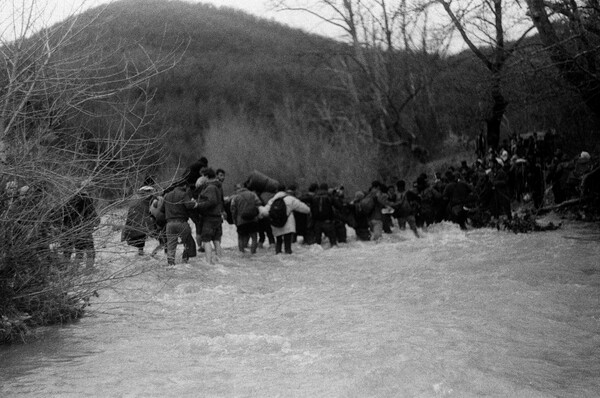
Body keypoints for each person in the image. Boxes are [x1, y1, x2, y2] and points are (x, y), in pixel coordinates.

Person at [60, 180, 99, 270]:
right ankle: (89, 269)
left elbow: (64, 214)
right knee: (89, 250)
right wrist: (96, 221)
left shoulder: (70, 198)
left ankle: (65, 269)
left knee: (68, 250)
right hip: (83, 228)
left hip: (69, 228)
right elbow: (92, 213)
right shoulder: (86, 199)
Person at [262, 184, 310, 254]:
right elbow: (305, 209)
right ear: (285, 190)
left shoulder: (272, 200)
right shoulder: (290, 199)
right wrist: (309, 210)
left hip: (276, 224)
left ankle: (278, 255)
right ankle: (288, 258)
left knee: (278, 242)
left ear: (276, 190)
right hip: (288, 225)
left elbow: (264, 212)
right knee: (288, 245)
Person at [161, 180, 198, 266]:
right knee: (187, 243)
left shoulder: (167, 196)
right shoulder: (183, 194)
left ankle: (171, 264)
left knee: (171, 245)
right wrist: (194, 202)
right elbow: (189, 205)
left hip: (169, 224)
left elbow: (162, 210)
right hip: (181, 222)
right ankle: (184, 262)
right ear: (184, 186)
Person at [194, 168, 225, 264]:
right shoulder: (217, 186)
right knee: (216, 240)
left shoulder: (210, 187)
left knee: (206, 240)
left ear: (206, 176)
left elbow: (211, 201)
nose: (201, 178)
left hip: (209, 218)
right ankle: (219, 261)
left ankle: (208, 263)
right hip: (217, 217)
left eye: (203, 176)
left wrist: (198, 205)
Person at [121, 186, 156, 255]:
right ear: (147, 191)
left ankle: (140, 251)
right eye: (150, 191)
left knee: (138, 235)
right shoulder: (146, 198)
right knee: (141, 235)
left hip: (133, 220)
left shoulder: (134, 197)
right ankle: (141, 252)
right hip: (141, 219)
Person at [230, 183, 262, 254]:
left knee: (240, 238)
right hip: (253, 219)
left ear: (236, 189)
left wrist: (235, 221)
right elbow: (259, 203)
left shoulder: (235, 197)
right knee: (254, 237)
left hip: (241, 221)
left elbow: (233, 210)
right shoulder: (252, 194)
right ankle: (253, 253)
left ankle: (242, 254)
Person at [310, 183, 337, 248]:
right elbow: (338, 206)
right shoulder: (329, 196)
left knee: (317, 244)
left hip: (317, 222)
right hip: (328, 222)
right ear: (327, 188)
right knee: (333, 244)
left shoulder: (314, 196)